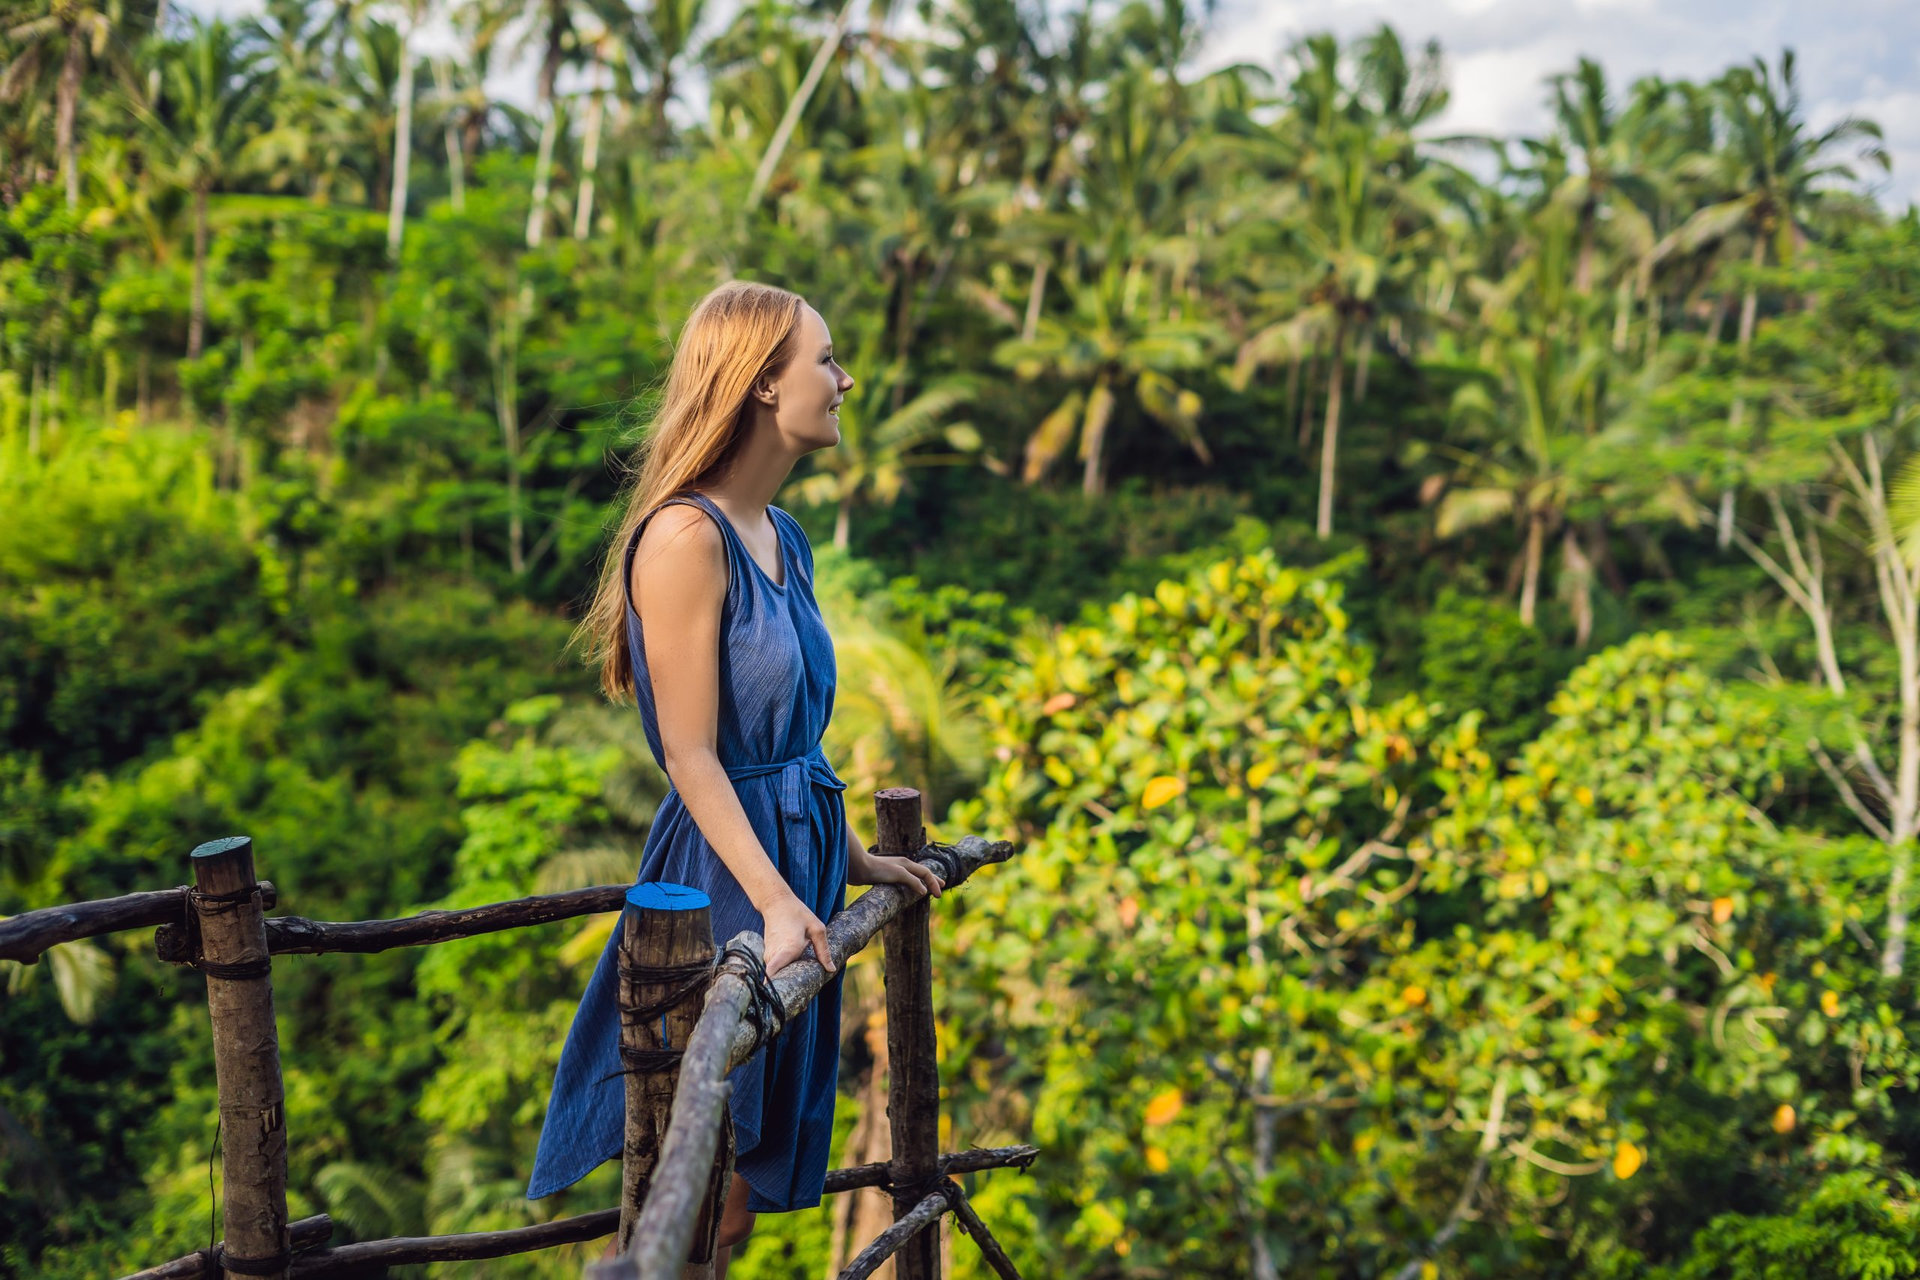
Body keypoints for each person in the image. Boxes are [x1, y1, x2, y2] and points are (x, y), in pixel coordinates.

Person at [527, 280, 946, 1275]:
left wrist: (855, 861)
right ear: (763, 381)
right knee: (700, 1183)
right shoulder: (685, 539)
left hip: (792, 860)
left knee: (740, 1199)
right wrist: (776, 901)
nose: (844, 380)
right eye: (827, 360)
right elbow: (693, 754)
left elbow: (795, 740)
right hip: (730, 876)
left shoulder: (783, 536)